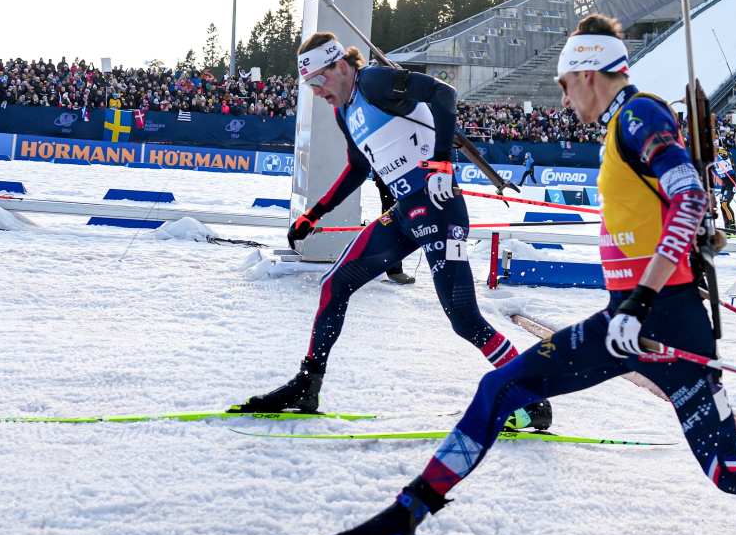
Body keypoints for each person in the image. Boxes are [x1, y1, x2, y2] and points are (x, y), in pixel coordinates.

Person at [276, 14, 736, 535]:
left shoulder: (639, 115)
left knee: (722, 468)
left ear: (590, 75)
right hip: (644, 322)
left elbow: (689, 199)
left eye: (567, 86)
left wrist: (641, 302)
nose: (564, 102)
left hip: (655, 321)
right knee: (516, 394)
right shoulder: (623, 124)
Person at [232, 33, 551, 432]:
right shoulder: (343, 112)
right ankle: (307, 385)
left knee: (464, 317)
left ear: (341, 66)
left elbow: (445, 96)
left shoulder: (374, 82)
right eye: (310, 86)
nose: (317, 92)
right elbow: (358, 169)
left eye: (319, 81)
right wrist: (315, 213)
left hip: (438, 206)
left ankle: (532, 399)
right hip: (405, 212)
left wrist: (441, 165)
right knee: (335, 284)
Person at [709, 148, 736, 232]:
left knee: (725, 204)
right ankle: (727, 227)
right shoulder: (711, 163)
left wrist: (718, 155)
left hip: (732, 182)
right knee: (722, 205)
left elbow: (726, 154)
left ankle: (733, 227)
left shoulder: (720, 152)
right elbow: (718, 179)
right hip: (725, 184)